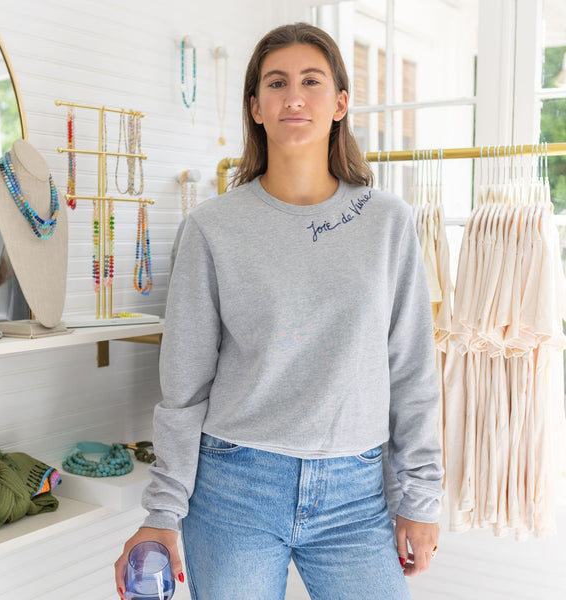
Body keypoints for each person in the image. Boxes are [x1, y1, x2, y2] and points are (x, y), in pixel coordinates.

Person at [115, 22, 443, 600]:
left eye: (312, 81)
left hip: (357, 493)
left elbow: (412, 372)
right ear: (256, 108)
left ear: (340, 103)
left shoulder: (389, 222)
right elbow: (185, 386)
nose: (294, 96)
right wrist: (163, 512)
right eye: (276, 83)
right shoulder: (211, 228)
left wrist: (419, 497)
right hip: (234, 487)